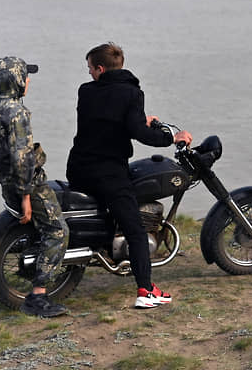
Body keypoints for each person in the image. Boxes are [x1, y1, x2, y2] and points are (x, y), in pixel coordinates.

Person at [65, 42, 192, 309]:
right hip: (108, 172)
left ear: (100, 69)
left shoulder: (86, 91)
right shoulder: (131, 93)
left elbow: (105, 120)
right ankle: (146, 290)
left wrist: (139, 118)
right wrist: (171, 137)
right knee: (135, 229)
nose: (88, 73)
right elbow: (139, 133)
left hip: (78, 168)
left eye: (89, 68)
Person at [0, 57, 69, 317]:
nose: (28, 80)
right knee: (57, 231)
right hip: (28, 185)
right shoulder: (17, 112)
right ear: (16, 80)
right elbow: (22, 157)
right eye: (25, 76)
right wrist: (26, 196)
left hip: (6, 183)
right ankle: (38, 296)